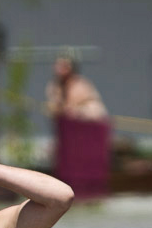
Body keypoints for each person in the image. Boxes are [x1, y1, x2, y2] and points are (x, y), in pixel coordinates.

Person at [46, 55, 110, 198]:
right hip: (69, 129)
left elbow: (78, 102)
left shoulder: (80, 84)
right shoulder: (56, 85)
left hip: (88, 124)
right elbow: (57, 105)